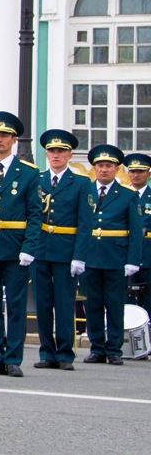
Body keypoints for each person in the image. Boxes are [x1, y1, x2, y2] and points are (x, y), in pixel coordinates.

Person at [0, 112, 41, 378]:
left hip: (15, 248)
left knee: (15, 305)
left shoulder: (27, 172)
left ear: (14, 139)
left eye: (4, 135)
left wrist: (29, 247)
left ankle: (13, 358)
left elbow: (35, 213)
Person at [32, 130, 89, 371]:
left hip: (66, 250)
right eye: (52, 151)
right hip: (41, 249)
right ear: (47, 154)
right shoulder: (37, 179)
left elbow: (85, 223)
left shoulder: (81, 183)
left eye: (61, 151)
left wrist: (79, 256)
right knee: (43, 303)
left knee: (64, 303)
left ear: (69, 155)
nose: (56, 155)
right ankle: (47, 352)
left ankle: (65, 352)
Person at [82, 144, 142, 365]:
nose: (104, 170)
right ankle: (97, 347)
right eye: (100, 166)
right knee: (93, 303)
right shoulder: (85, 191)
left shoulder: (127, 195)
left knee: (115, 304)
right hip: (89, 255)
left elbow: (136, 231)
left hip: (115, 257)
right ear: (94, 168)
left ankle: (114, 349)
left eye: (108, 166)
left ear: (117, 169)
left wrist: (132, 260)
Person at [123, 153, 151, 322]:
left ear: (148, 173)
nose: (136, 175)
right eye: (132, 171)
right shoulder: (122, 196)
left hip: (148, 254)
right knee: (126, 300)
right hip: (125, 255)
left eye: (140, 171)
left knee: (148, 301)